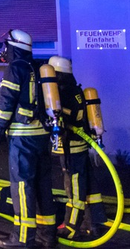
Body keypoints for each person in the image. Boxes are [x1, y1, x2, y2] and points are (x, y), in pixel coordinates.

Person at [0, 29, 57, 248]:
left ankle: (23, 238)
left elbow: (6, 104)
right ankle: (48, 236)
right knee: (42, 185)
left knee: (22, 186)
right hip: (42, 137)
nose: (4, 50)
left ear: (13, 47)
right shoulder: (39, 67)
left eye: (6, 46)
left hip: (22, 138)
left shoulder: (15, 68)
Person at [48, 56, 107, 240]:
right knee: (89, 185)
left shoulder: (62, 93)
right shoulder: (77, 90)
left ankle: (72, 225)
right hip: (81, 146)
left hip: (71, 148)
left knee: (74, 188)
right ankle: (94, 223)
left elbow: (62, 117)